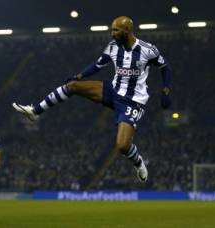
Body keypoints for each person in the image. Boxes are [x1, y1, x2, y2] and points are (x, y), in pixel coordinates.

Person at [12, 16, 171, 183]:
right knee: (73, 86)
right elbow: (97, 65)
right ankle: (36, 111)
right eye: (112, 30)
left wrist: (165, 91)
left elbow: (165, 67)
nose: (112, 34)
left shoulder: (147, 50)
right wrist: (79, 75)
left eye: (115, 30)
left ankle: (138, 162)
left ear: (127, 31)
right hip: (113, 90)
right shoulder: (113, 48)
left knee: (122, 146)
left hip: (133, 102)